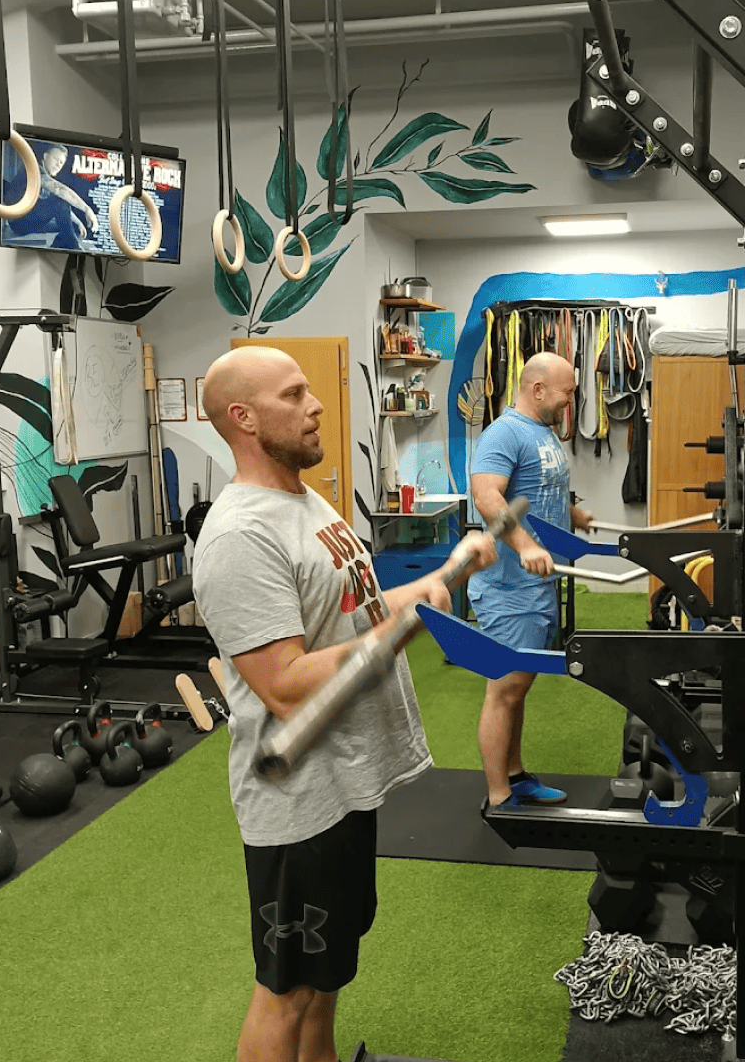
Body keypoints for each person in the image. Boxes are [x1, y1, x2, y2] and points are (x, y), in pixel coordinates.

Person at [191, 346, 496, 1062]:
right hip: (298, 801)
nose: (316, 404)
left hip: (345, 782)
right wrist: (400, 626)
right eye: (294, 394)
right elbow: (284, 684)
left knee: (326, 976)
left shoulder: (302, 501)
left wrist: (431, 584)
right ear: (243, 418)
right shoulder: (240, 536)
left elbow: (354, 612)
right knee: (288, 989)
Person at [468, 351, 594, 809]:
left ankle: (515, 776)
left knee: (519, 688)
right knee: (505, 690)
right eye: (567, 392)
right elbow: (486, 496)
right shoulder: (503, 433)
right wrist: (524, 546)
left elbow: (540, 490)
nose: (571, 401)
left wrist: (572, 514)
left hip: (538, 586)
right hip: (508, 587)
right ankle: (499, 797)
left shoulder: (542, 431)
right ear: (538, 389)